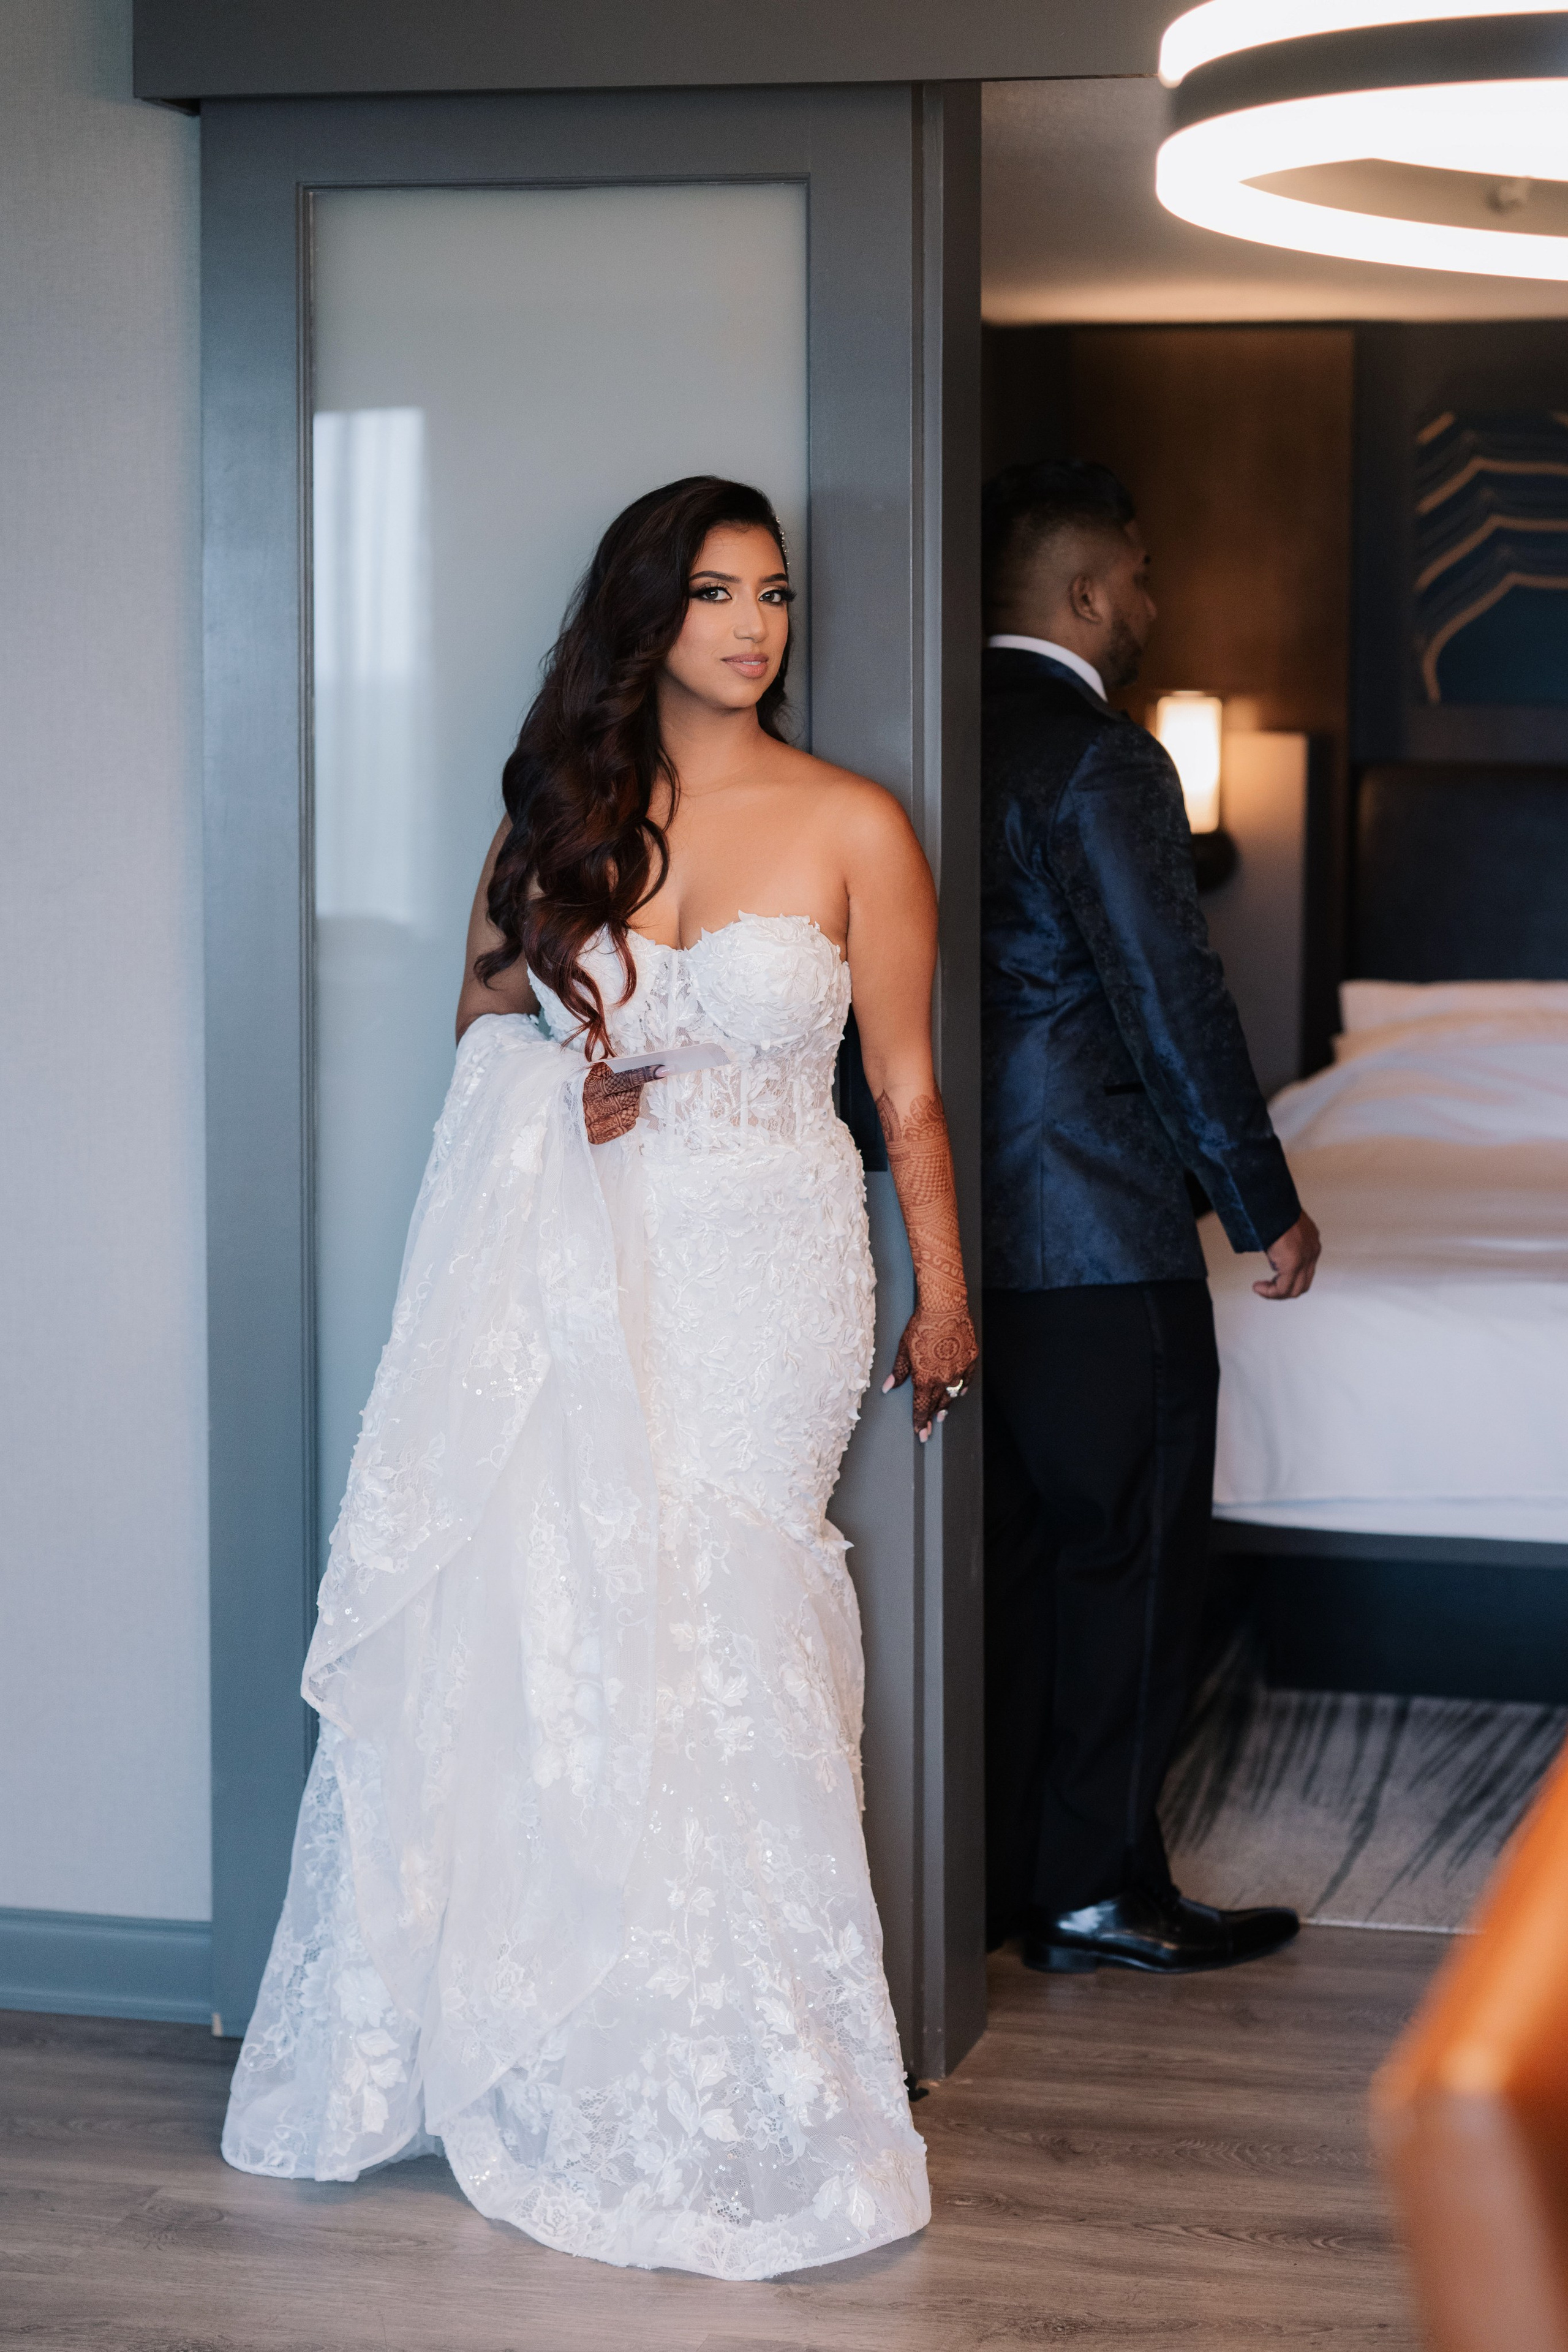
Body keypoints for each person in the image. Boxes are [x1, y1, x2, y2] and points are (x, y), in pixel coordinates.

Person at [221, 476, 978, 2277]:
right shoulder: (558, 816)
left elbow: (908, 1091)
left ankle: (754, 2072)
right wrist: (558, 1094)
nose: (754, 626)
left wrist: (946, 1295)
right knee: (572, 1605)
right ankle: (582, 2046)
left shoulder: (855, 822)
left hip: (775, 1268)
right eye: (715, 594)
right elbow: (483, 1029)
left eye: (773, 594)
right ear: (647, 615)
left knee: (736, 1610)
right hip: (584, 1256)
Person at [980, 459, 1321, 1978]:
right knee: (1127, 1557)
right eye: (1137, 574)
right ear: (1081, 591)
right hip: (1097, 1226)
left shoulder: (921, 731)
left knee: (1010, 1568)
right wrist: (1260, 1200)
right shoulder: (1101, 759)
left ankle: (1001, 1873)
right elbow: (1168, 996)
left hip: (950, 1230)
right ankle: (1100, 1889)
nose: (1152, 602)